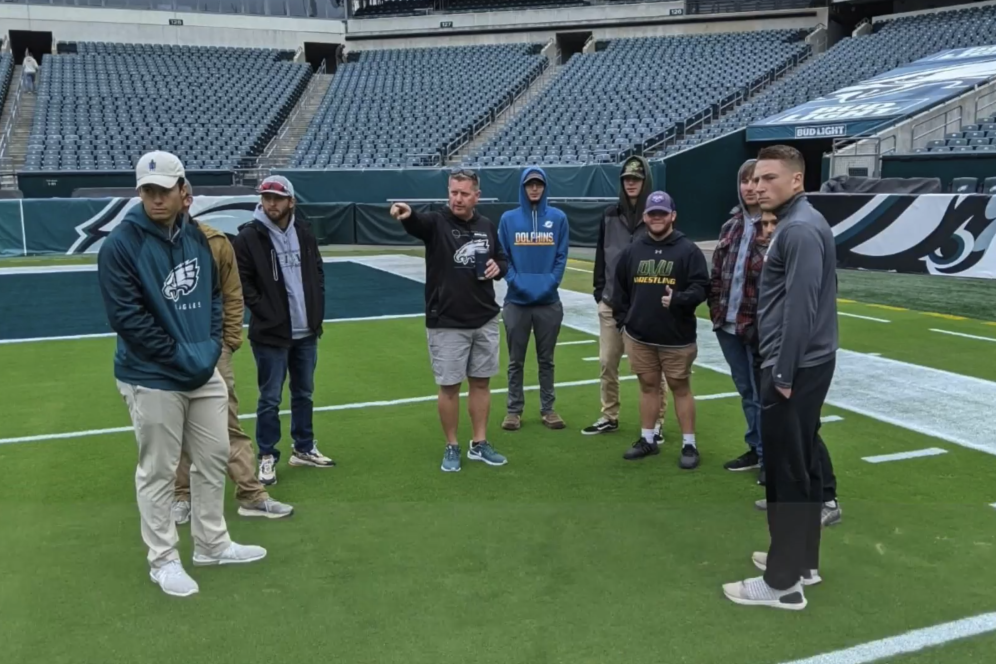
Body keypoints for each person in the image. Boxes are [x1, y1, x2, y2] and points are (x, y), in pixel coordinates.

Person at [97, 151, 266, 598]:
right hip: (150, 376)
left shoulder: (196, 238)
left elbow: (213, 298)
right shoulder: (121, 245)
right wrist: (180, 355)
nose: (155, 199)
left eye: (164, 190)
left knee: (213, 457)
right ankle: (163, 560)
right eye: (147, 191)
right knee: (159, 472)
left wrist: (209, 347)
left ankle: (212, 544)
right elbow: (127, 319)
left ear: (182, 190)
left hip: (201, 368)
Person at [723, 145, 839, 611]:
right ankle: (803, 563)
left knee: (787, 475)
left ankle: (782, 582)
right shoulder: (798, 225)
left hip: (794, 366)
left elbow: (801, 308)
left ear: (796, 181)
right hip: (804, 363)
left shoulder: (800, 229)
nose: (758, 186)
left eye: (769, 178)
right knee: (803, 465)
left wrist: (783, 372)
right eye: (755, 179)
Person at [172, 182, 294, 522]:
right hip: (165, 352)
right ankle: (181, 496)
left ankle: (251, 493)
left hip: (212, 349)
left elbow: (232, 294)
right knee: (174, 426)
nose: (163, 201)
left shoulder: (214, 242)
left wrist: (227, 341)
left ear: (186, 199)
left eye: (171, 194)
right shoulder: (142, 244)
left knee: (228, 422)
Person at [389, 169, 509, 473]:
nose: (457, 198)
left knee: (481, 384)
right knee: (449, 386)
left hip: (484, 317)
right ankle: (452, 445)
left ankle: (479, 443)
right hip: (447, 321)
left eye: (464, 193)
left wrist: (500, 266)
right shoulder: (436, 222)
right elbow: (417, 223)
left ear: (476, 196)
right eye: (453, 192)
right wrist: (406, 214)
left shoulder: (486, 225)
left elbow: (503, 258)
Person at [233, 175, 332, 488]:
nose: (271, 203)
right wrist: (267, 311)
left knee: (304, 393)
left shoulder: (303, 230)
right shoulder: (248, 237)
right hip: (271, 333)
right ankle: (267, 455)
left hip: (306, 331)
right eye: (266, 197)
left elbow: (317, 270)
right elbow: (243, 283)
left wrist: (317, 308)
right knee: (270, 398)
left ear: (291, 201)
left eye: (277, 197)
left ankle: (303, 447)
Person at [609, 191, 709, 468]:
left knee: (680, 387)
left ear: (672, 216)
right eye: (652, 214)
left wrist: (679, 299)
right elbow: (620, 291)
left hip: (676, 337)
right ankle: (648, 439)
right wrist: (624, 321)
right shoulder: (633, 250)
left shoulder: (688, 250)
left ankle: (690, 445)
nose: (656, 218)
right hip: (640, 336)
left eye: (662, 213)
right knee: (648, 387)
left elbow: (702, 288)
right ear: (644, 217)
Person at [584, 156, 668, 438]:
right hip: (611, 303)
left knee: (652, 368)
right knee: (607, 362)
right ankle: (609, 414)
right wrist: (600, 292)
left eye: (636, 178)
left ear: (646, 181)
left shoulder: (657, 216)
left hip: (646, 307)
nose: (631, 183)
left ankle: (657, 422)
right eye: (626, 179)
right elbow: (600, 257)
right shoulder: (609, 215)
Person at [497, 167, 570, 431]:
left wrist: (549, 283)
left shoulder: (559, 218)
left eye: (539, 184)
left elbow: (561, 256)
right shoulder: (508, 219)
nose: (534, 188)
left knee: (546, 360)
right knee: (515, 361)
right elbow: (502, 256)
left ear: (545, 187)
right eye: (530, 184)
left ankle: (548, 409)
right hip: (516, 302)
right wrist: (517, 283)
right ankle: (513, 411)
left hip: (548, 302)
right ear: (523, 187)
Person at [709, 159, 766, 484]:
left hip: (758, 327)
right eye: (744, 181)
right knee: (747, 392)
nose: (749, 187)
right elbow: (717, 274)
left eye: (755, 180)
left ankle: (770, 457)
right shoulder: (730, 226)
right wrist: (716, 313)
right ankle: (755, 448)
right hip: (728, 325)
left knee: (763, 394)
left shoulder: (776, 226)